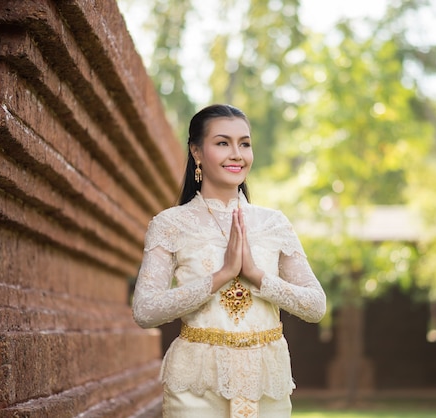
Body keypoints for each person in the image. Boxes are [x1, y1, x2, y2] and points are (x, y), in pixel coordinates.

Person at [132, 104, 326, 417]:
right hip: (196, 384)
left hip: (266, 383)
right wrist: (220, 277)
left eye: (244, 144)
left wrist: (256, 275)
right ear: (196, 151)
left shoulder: (273, 223)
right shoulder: (170, 224)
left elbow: (316, 305)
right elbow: (144, 310)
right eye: (223, 143)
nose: (236, 154)